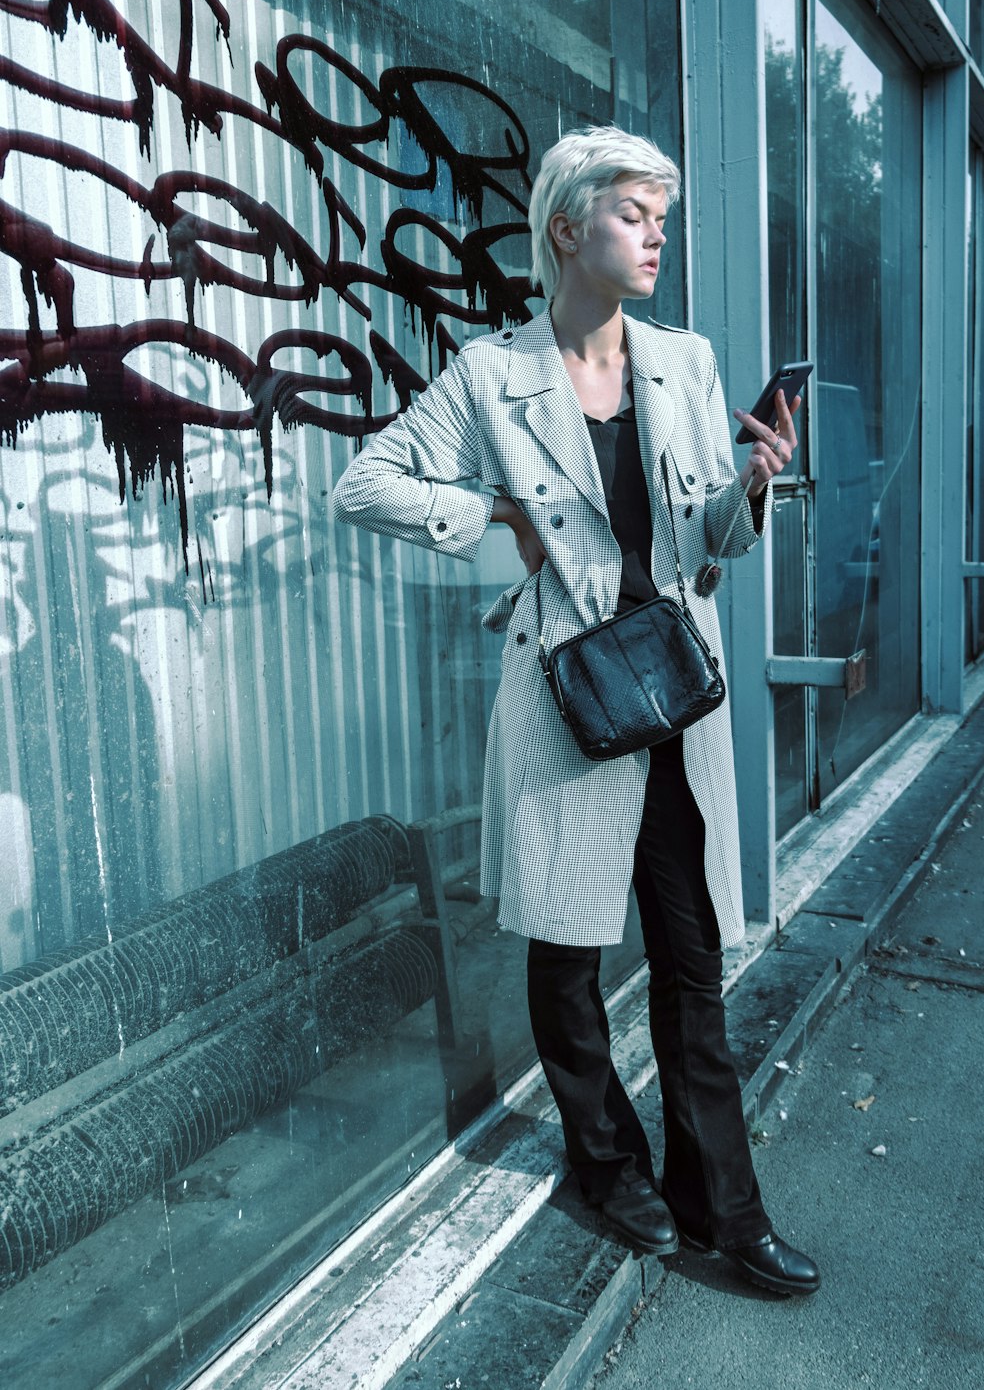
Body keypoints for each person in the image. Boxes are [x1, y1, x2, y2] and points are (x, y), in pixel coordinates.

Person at [333, 125, 819, 1295]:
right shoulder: (489, 375)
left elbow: (707, 545)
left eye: (661, 216)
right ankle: (607, 1167)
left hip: (673, 691)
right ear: (566, 228)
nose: (656, 235)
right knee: (567, 955)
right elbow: (364, 484)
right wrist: (501, 522)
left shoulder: (685, 362)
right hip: (567, 695)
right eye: (633, 215)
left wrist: (752, 484)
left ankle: (725, 1204)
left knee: (689, 955)